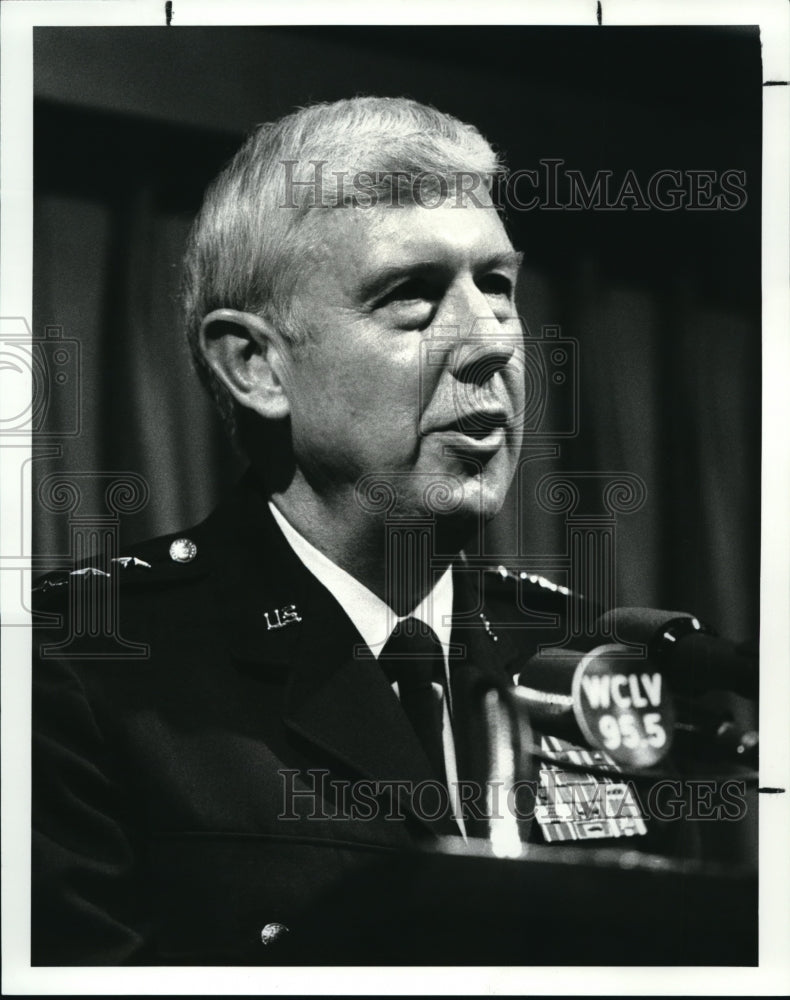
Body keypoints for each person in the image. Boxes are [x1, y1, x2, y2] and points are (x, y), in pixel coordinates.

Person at [30, 97, 748, 967]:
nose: (489, 343)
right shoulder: (81, 667)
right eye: (411, 295)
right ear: (256, 366)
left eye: (497, 286)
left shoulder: (593, 666)